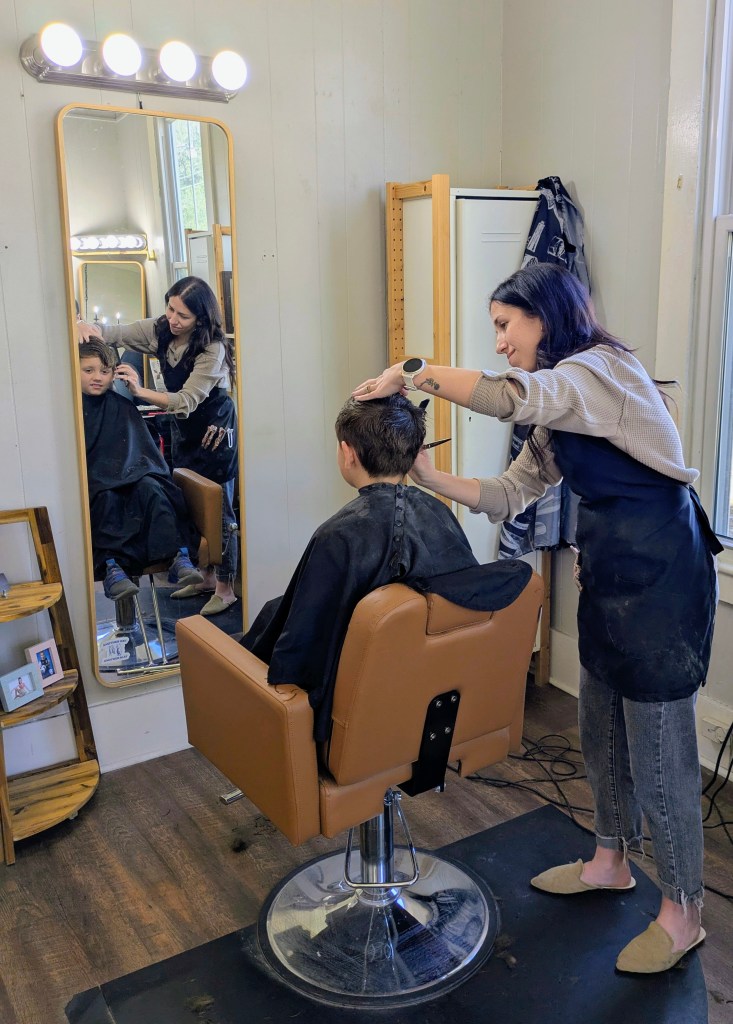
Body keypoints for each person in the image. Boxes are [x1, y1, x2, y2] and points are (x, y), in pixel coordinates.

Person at [352, 263, 721, 975]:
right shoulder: (560, 408)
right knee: (599, 731)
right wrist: (425, 474)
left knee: (657, 757)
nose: (499, 342)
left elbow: (505, 397)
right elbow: (506, 494)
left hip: (663, 580)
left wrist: (410, 372)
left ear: (543, 316)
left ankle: (683, 914)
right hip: (610, 571)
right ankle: (610, 861)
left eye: (503, 325)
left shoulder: (596, 373)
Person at [241, 394, 482, 742]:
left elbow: (303, 650)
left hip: (349, 716)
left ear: (348, 453)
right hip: (430, 700)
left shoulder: (337, 536)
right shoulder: (440, 514)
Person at [77, 276, 238, 616]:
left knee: (218, 508)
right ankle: (205, 577)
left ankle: (225, 589)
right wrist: (82, 326)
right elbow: (114, 332)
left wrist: (138, 392)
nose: (173, 319)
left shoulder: (212, 348)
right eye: (170, 309)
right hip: (183, 427)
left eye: (183, 315)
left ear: (201, 319)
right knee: (186, 498)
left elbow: (186, 399)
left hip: (213, 427)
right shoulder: (160, 328)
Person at [79, 340, 203, 603]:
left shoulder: (123, 407)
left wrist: (140, 472)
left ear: (115, 373)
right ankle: (112, 568)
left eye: (104, 371)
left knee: (154, 489)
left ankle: (177, 557)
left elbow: (145, 453)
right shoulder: (71, 412)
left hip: (134, 473)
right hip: (97, 482)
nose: (97, 377)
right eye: (88, 370)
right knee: (106, 498)